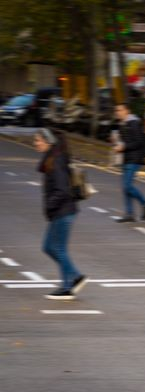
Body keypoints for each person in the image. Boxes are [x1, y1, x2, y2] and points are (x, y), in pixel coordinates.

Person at [35, 128, 88, 300]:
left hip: (63, 210)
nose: (36, 143)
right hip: (62, 210)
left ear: (48, 141)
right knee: (49, 247)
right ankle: (75, 277)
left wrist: (50, 206)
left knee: (57, 248)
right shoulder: (51, 158)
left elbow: (62, 190)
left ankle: (67, 286)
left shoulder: (55, 161)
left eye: (38, 140)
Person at [113, 103, 145, 223]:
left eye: (120, 110)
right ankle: (129, 213)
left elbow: (139, 142)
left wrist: (124, 146)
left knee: (127, 186)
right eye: (116, 110)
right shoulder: (122, 124)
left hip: (134, 159)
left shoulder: (134, 123)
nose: (117, 112)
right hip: (126, 158)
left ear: (127, 111)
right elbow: (125, 140)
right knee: (125, 187)